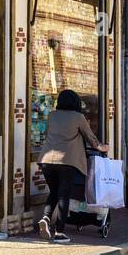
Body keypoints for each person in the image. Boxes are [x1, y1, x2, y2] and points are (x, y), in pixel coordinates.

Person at [38, 89, 109, 244]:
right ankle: (59, 232)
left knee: (54, 192)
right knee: (64, 196)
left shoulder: (52, 115)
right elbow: (90, 137)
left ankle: (45, 218)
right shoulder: (78, 117)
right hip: (67, 162)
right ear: (76, 102)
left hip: (46, 160)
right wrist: (102, 147)